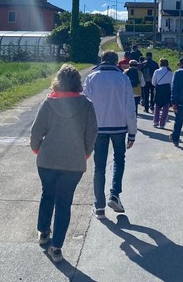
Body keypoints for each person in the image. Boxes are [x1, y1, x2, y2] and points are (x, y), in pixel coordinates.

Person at [30, 64, 98, 264]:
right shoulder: (86, 105)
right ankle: (57, 247)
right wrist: (85, 153)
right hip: (73, 163)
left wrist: (37, 149)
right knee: (64, 203)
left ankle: (43, 232)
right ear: (78, 82)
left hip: (47, 160)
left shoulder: (48, 103)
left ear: (58, 81)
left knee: (47, 194)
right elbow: (91, 134)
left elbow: (36, 132)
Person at [83, 51, 137, 219]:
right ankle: (114, 194)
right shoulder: (123, 78)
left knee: (99, 166)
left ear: (102, 60)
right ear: (116, 62)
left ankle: (99, 206)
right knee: (119, 160)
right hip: (119, 127)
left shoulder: (92, 78)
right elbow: (130, 107)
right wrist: (132, 132)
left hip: (99, 128)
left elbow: (85, 105)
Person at [151, 58, 173, 129]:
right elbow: (172, 84)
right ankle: (162, 124)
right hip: (167, 90)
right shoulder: (170, 73)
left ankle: (155, 121)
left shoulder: (156, 71)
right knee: (165, 108)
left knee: (157, 107)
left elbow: (153, 82)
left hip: (159, 90)